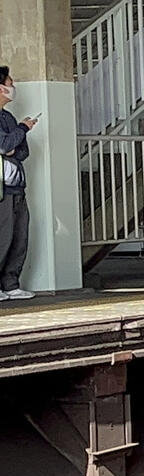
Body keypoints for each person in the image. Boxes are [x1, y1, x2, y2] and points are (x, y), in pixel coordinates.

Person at [0, 67, 38, 301]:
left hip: (17, 186)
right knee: (2, 238)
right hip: (2, 189)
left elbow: (21, 150)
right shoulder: (15, 122)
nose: (13, 88)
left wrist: (13, 140)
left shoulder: (7, 117)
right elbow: (5, 146)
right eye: (10, 83)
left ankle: (11, 283)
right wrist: (22, 129)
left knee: (19, 237)